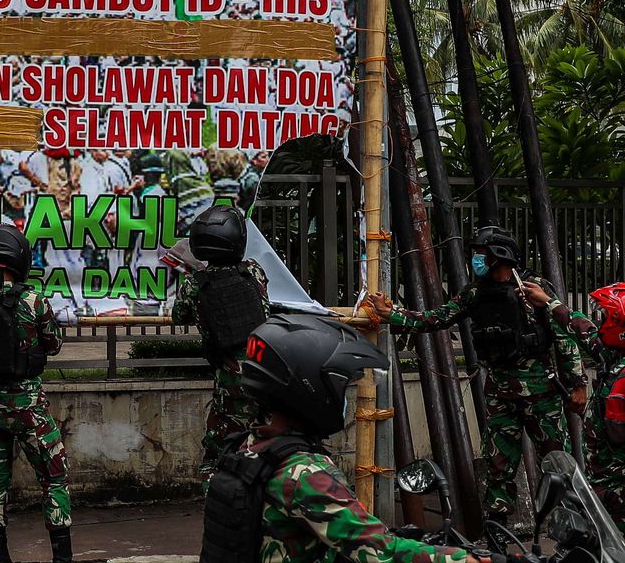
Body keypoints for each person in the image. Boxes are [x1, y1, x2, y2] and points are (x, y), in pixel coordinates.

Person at [201, 314, 489, 563]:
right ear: (311, 389)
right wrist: (472, 558)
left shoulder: (245, 448)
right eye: (341, 388)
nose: (345, 399)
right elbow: (379, 553)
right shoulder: (303, 473)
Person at [368, 226, 586, 524]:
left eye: (481, 255)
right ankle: (497, 532)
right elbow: (436, 319)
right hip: (500, 394)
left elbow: (564, 337)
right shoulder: (475, 292)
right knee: (498, 465)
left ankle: (572, 526)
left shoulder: (533, 289)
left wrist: (578, 384)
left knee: (557, 463)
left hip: (543, 394)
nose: (476, 261)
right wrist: (389, 313)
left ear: (499, 255)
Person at [0, 224, 71, 563]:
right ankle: (62, 558)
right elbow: (54, 345)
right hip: (29, 410)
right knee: (55, 477)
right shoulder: (33, 300)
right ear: (19, 258)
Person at [170, 205, 270, 485]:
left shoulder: (194, 284)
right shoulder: (253, 271)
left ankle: (220, 507)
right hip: (268, 373)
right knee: (268, 445)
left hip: (231, 384)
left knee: (216, 453)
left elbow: (180, 316)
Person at [520, 280, 625, 529]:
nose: (600, 324)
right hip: (604, 488)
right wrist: (548, 302)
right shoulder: (614, 357)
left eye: (606, 317)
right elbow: (583, 330)